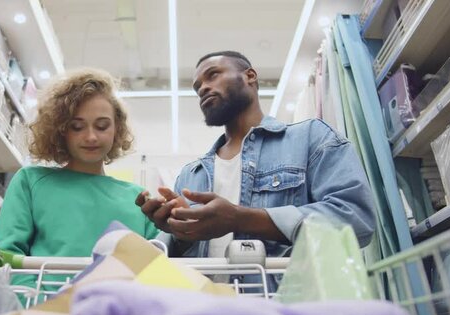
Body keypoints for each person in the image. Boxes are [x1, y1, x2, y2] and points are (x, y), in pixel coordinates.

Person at [136, 50, 375, 260]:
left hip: (285, 306)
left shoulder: (310, 138)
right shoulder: (191, 175)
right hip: (209, 306)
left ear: (250, 76)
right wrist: (180, 235)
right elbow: (181, 264)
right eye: (198, 87)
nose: (203, 88)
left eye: (213, 75)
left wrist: (241, 218)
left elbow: (356, 221)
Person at [0, 69, 159, 294]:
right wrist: (38, 308)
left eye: (102, 126)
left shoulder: (137, 198)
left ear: (116, 129)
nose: (91, 137)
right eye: (77, 127)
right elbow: (4, 258)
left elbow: (157, 269)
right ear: (60, 130)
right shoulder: (30, 182)